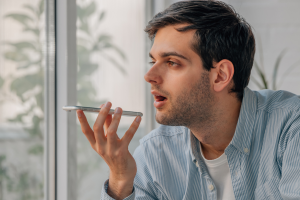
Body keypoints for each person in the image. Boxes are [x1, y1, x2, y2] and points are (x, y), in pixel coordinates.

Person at [77, 1, 300, 199]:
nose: (149, 76)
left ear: (220, 75)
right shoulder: (155, 154)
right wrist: (120, 182)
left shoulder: (290, 129)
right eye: (152, 61)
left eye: (172, 62)